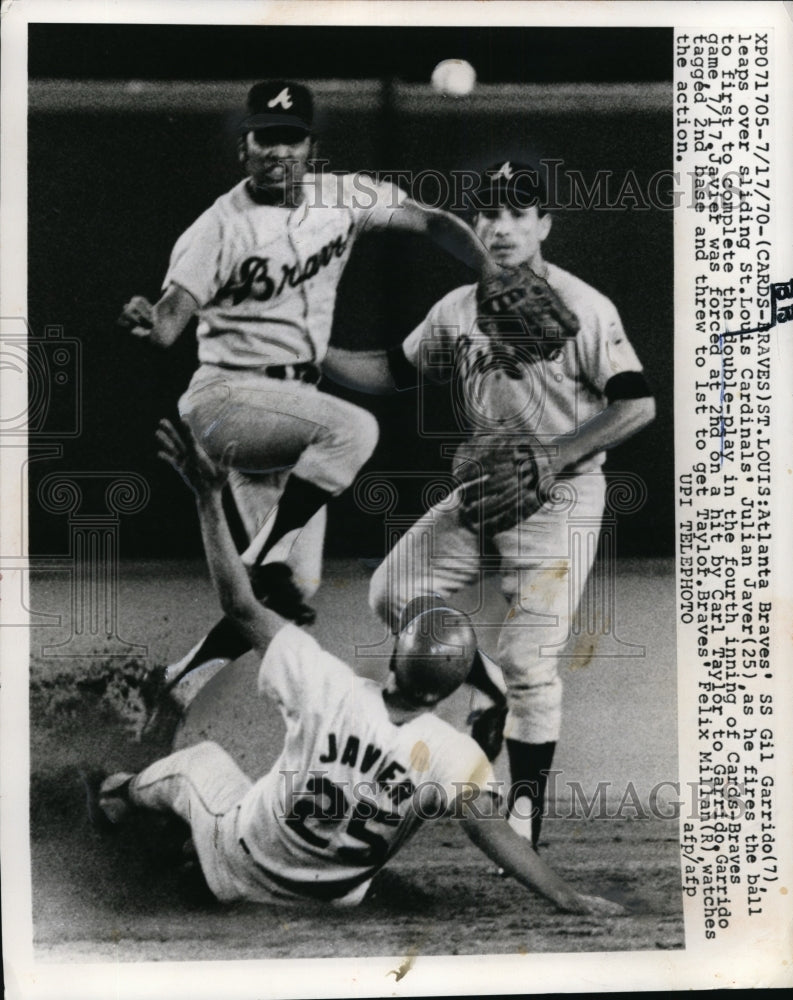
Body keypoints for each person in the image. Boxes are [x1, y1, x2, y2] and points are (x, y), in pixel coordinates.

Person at [92, 418, 622, 916]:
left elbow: (239, 603)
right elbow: (493, 833)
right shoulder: (451, 753)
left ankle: (114, 796)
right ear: (452, 690)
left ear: (396, 654)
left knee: (198, 763)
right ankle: (197, 845)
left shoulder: (326, 684)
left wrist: (208, 497)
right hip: (335, 899)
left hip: (238, 867)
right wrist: (564, 894)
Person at [117, 79, 501, 690]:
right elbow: (169, 320)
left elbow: (431, 222)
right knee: (355, 428)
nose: (278, 152)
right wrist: (149, 319)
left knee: (292, 595)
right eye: (265, 138)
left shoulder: (342, 198)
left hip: (288, 417)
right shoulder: (219, 226)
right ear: (244, 147)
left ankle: (173, 684)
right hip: (226, 401)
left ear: (309, 147)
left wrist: (490, 272)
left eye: (290, 140)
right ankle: (267, 558)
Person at [323, 161, 656, 849]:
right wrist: (314, 353)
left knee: (532, 655)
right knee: (394, 591)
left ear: (542, 225)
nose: (500, 227)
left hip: (561, 495)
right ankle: (489, 689)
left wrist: (554, 454)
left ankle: (524, 813)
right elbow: (390, 368)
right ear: (474, 226)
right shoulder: (455, 308)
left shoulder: (583, 305)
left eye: (516, 213)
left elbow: (638, 405)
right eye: (488, 214)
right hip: (488, 487)